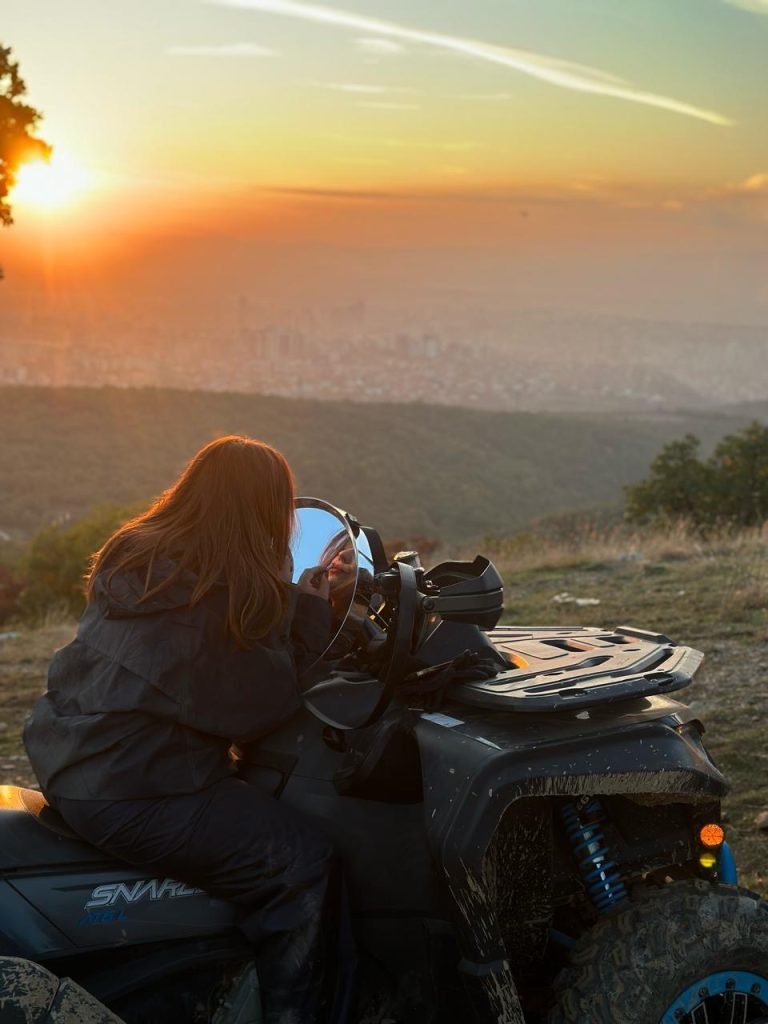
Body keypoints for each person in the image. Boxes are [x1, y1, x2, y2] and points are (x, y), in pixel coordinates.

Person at [23, 435, 341, 1024]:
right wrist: (311, 609)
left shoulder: (138, 553)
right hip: (137, 788)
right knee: (303, 862)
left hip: (71, 755)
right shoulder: (212, 589)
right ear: (261, 510)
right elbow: (262, 705)